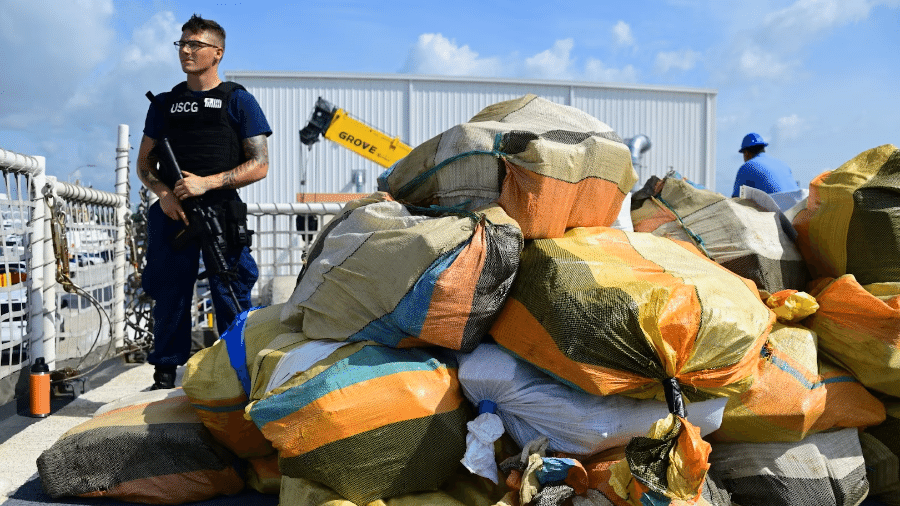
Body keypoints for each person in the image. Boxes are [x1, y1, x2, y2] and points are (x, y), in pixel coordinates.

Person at [137, 14, 271, 390]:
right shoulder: (164, 105)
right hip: (173, 211)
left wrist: (206, 183)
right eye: (182, 43)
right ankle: (164, 373)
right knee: (169, 289)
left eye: (195, 44)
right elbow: (144, 164)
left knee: (231, 288)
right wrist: (164, 194)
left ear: (217, 53)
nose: (186, 50)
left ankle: (237, 374)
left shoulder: (239, 101)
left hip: (220, 212)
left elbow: (260, 165)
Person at [731, 133, 800, 198]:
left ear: (746, 153)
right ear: (763, 148)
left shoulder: (745, 168)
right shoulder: (783, 164)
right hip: (798, 207)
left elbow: (735, 200)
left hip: (776, 209)